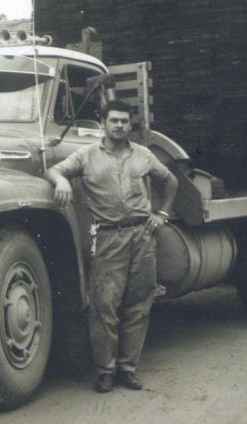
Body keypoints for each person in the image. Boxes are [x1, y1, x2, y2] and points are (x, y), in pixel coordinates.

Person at [45, 99, 178, 393]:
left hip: (142, 236)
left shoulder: (143, 155)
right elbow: (54, 170)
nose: (119, 125)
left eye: (124, 121)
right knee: (103, 306)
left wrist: (162, 214)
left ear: (129, 125)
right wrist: (62, 183)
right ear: (103, 123)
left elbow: (170, 183)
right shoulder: (87, 155)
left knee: (139, 304)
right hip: (108, 237)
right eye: (114, 120)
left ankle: (127, 369)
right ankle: (105, 370)